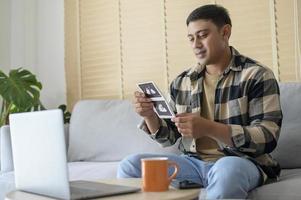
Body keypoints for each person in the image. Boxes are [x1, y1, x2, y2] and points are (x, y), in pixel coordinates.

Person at [117, 4, 282, 199]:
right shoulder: (182, 81)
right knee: (130, 165)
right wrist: (150, 116)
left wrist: (209, 128)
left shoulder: (257, 76)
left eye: (202, 35)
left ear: (225, 32)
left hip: (241, 161)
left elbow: (268, 136)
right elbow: (168, 137)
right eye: (191, 38)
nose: (195, 44)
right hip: (193, 163)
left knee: (227, 170)